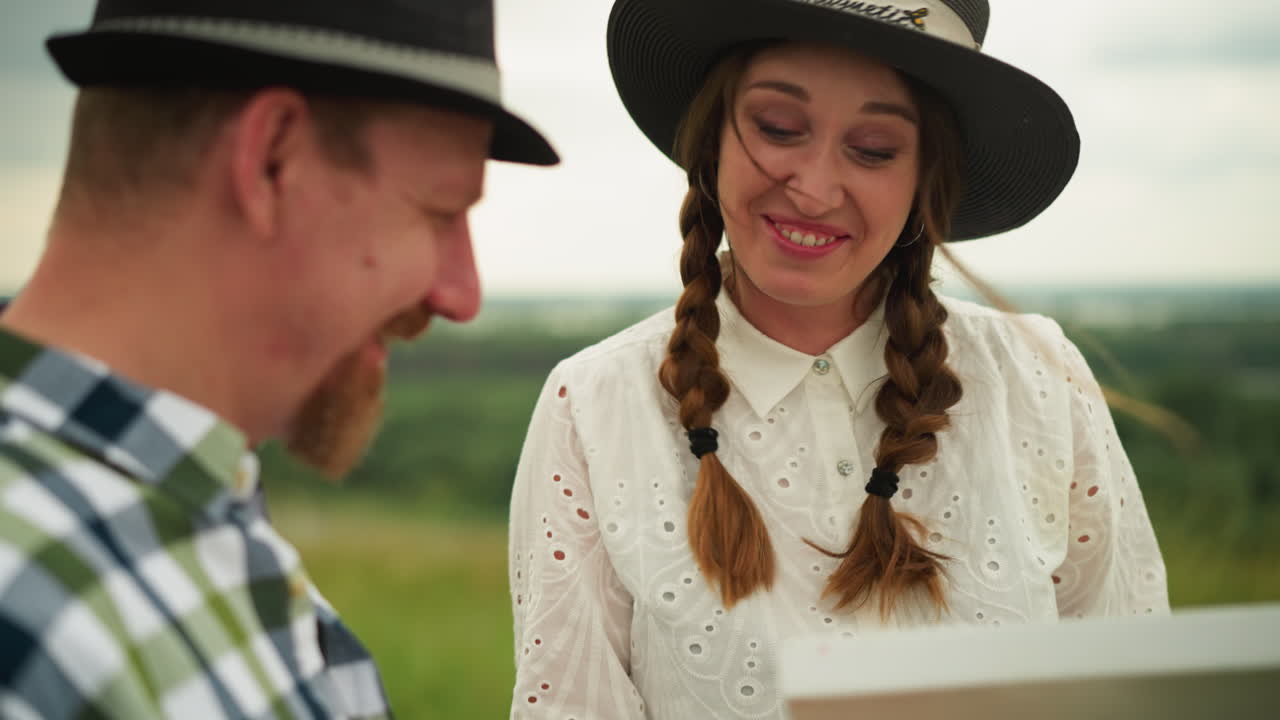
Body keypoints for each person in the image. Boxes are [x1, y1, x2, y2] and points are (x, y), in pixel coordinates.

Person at [507, 1, 1168, 718]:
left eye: (876, 148)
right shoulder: (595, 405)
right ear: (712, 140)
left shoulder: (1039, 377)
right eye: (779, 128)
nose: (815, 189)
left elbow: (1136, 689)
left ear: (926, 178)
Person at [0, 1, 556, 718]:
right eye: (441, 210)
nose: (462, 294)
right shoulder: (24, 607)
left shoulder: (192, 526)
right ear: (272, 159)